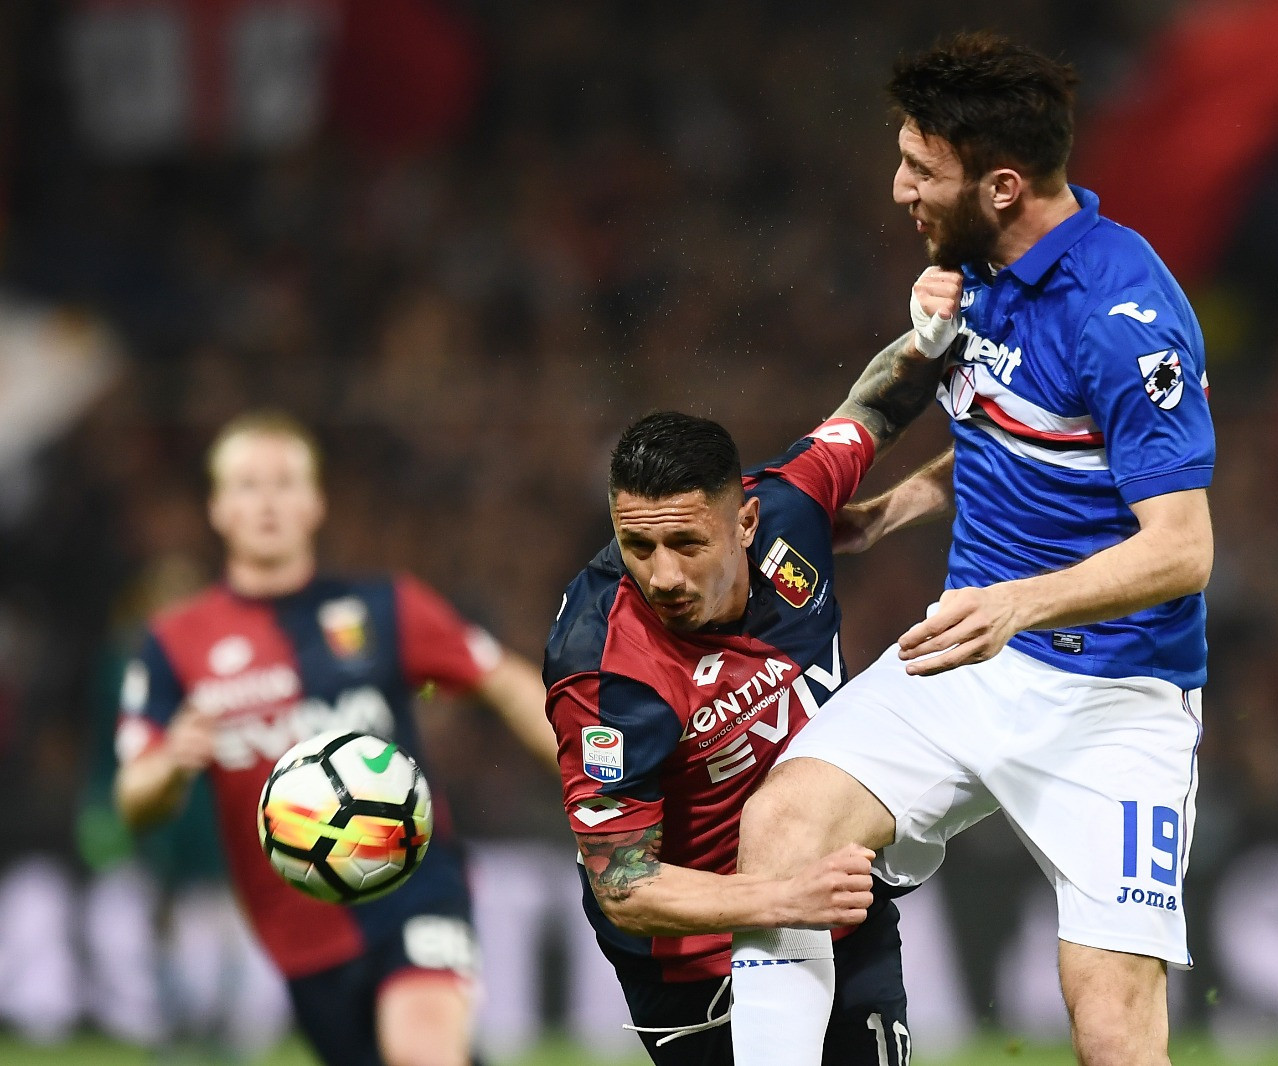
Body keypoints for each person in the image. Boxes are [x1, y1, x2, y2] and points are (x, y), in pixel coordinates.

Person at [730, 32, 1215, 1066]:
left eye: (921, 168)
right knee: (783, 828)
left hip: (1115, 697)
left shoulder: (1123, 318)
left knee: (1113, 1027)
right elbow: (1026, 429)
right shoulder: (976, 269)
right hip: (967, 658)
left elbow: (1181, 549)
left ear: (1001, 186)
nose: (899, 186)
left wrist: (1016, 602)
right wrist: (895, 507)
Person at [543, 304, 958, 1066]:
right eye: (638, 546)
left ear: (745, 522)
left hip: (835, 900)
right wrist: (784, 898)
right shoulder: (604, 672)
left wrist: (943, 327)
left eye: (686, 542)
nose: (663, 575)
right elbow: (624, 885)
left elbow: (874, 407)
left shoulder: (794, 508)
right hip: (698, 970)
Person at [114, 411, 558, 1066]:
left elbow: (505, 681)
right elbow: (133, 800)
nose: (267, 503)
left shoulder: (386, 608)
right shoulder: (171, 643)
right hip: (298, 933)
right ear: (218, 508)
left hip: (413, 882)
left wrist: (601, 784)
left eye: (285, 483)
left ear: (315, 503)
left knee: (421, 1051)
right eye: (247, 485)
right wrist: (173, 763)